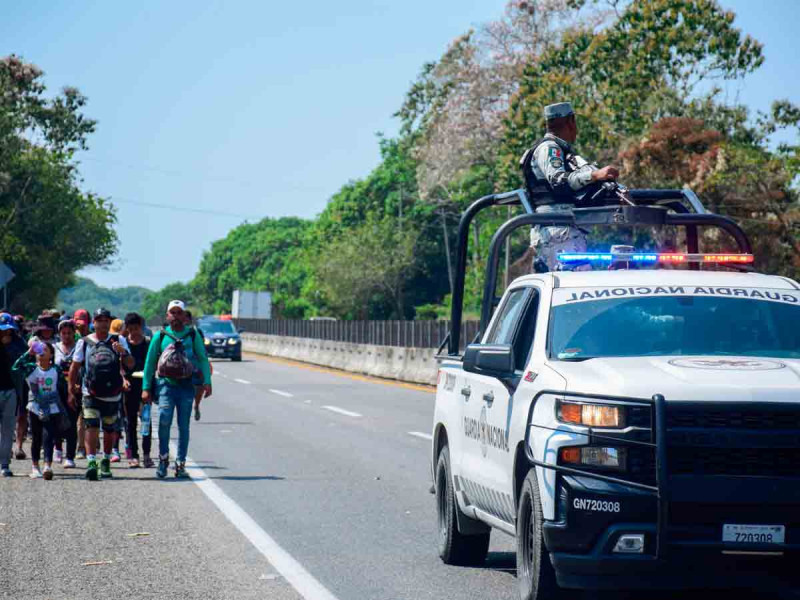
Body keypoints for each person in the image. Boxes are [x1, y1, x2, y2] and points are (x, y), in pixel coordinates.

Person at [525, 102, 620, 271]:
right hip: (559, 229)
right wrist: (594, 175)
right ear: (571, 121)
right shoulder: (550, 148)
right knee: (574, 288)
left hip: (562, 230)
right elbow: (559, 180)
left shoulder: (559, 149)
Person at [142, 300, 211, 479]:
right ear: (167, 316)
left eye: (179, 313)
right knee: (164, 420)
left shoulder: (192, 335)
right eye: (172, 313)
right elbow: (150, 363)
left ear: (184, 316)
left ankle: (180, 464)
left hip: (187, 386)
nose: (176, 316)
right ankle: (163, 459)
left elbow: (203, 358)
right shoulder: (160, 336)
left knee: (183, 426)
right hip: (166, 385)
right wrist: (146, 387)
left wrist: (207, 381)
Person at [67, 308, 134, 480]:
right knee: (91, 426)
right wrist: (70, 390)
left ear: (110, 322)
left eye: (106, 320)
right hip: (90, 392)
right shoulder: (84, 342)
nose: (103, 323)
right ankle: (91, 462)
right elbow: (74, 367)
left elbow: (131, 364)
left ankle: (105, 460)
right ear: (93, 322)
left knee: (110, 429)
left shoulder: (119, 340)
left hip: (113, 393)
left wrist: (123, 352)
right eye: (99, 320)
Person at [13, 341, 66, 480]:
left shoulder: (56, 369)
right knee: (36, 437)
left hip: (52, 407)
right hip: (35, 407)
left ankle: (47, 466)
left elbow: (62, 385)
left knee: (49, 436)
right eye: (39, 349)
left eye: (46, 349)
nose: (42, 352)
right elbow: (15, 367)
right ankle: (35, 466)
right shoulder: (31, 368)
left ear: (51, 354)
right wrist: (28, 353)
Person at [122, 312, 151, 468]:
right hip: (129, 387)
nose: (134, 332)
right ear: (127, 329)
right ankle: (134, 455)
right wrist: (123, 379)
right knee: (130, 422)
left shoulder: (148, 343)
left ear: (141, 327)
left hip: (145, 386)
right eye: (131, 328)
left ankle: (147, 454)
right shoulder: (123, 344)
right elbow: (119, 365)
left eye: (137, 328)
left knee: (146, 421)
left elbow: (153, 364)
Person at [54, 319, 79, 468]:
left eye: (69, 333)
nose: (67, 336)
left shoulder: (79, 347)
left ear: (74, 333)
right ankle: (57, 448)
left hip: (74, 390)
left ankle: (70, 456)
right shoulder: (54, 347)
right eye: (63, 333)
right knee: (56, 421)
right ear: (59, 334)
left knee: (71, 423)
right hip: (56, 389)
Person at [0, 314, 19, 476]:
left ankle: (4, 464)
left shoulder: (17, 343)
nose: (5, 334)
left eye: (8, 331)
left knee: (7, 429)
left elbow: (24, 359)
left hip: (11, 391)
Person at [71, 309, 90, 457]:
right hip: (74, 379)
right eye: (78, 324)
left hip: (88, 380)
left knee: (85, 416)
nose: (80, 327)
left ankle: (84, 445)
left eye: (83, 324)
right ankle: (80, 446)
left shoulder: (91, 337)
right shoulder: (69, 335)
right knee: (78, 416)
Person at [184, 311, 205, 421]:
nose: (185, 321)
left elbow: (202, 349)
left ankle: (196, 405)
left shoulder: (196, 332)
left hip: (196, 364)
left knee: (199, 387)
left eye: (187, 319)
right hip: (181, 366)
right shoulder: (175, 332)